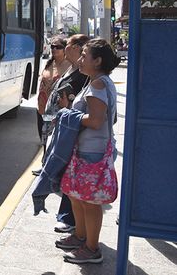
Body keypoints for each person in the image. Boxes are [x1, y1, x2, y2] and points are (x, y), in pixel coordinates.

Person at [54, 39, 121, 264]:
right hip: (87, 150)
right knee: (77, 197)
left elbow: (95, 121)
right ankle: (80, 237)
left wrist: (68, 114)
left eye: (84, 56)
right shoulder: (98, 81)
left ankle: (92, 249)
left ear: (98, 61)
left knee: (90, 203)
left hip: (93, 153)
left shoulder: (98, 85)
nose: (80, 60)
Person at [43, 34, 90, 233]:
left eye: (67, 45)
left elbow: (92, 116)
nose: (60, 49)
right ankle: (69, 220)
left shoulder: (87, 76)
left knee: (71, 177)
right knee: (67, 177)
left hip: (75, 133)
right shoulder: (72, 68)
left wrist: (66, 108)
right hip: (63, 124)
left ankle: (70, 221)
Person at [36, 37, 71, 142]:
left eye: (58, 47)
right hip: (41, 108)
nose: (54, 49)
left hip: (55, 110)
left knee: (52, 140)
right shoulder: (49, 63)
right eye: (52, 46)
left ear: (65, 49)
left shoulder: (69, 65)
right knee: (43, 138)